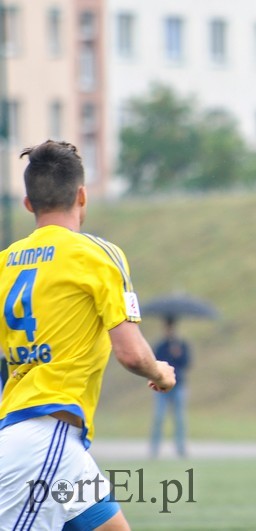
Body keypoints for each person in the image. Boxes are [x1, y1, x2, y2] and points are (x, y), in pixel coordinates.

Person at [0, 141, 176, 530]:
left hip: (43, 435)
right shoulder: (98, 254)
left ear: (28, 204)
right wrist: (161, 373)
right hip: (45, 437)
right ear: (82, 195)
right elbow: (130, 354)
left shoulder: (5, 262)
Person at [150, 316, 191, 458]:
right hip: (161, 387)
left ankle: (180, 449)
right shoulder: (161, 346)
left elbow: (186, 363)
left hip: (178, 385)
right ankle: (154, 449)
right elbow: (154, 363)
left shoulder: (181, 345)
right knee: (159, 417)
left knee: (179, 419)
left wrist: (178, 355)